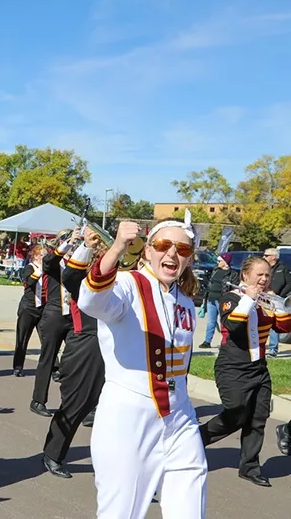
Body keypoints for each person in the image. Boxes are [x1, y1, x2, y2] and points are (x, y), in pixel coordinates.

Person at [77, 212, 206, 519]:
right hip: (128, 416)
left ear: (189, 259)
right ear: (148, 249)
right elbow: (90, 302)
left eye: (183, 249)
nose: (173, 253)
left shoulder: (186, 301)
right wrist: (117, 248)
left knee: (190, 505)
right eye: (163, 244)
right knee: (122, 511)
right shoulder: (126, 283)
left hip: (180, 415)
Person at [199, 255, 291, 487]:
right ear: (245, 275)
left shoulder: (267, 299)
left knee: (258, 418)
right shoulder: (231, 297)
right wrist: (249, 300)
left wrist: (277, 304)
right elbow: (231, 325)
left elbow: (284, 327)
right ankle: (194, 440)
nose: (264, 279)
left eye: (267, 274)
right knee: (236, 413)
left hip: (258, 367)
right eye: (259, 274)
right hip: (232, 366)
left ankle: (250, 467)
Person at [42, 226, 107, 478]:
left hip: (111, 345)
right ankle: (52, 453)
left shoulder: (119, 280)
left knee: (108, 406)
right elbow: (69, 276)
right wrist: (87, 246)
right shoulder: (82, 281)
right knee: (76, 403)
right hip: (85, 344)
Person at [30, 233, 74, 417]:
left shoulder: (80, 261)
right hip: (54, 314)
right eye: (71, 242)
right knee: (48, 358)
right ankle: (38, 400)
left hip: (74, 317)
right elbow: (49, 261)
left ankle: (72, 404)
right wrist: (66, 245)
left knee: (73, 361)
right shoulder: (54, 262)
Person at [12, 245, 45, 376]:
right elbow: (28, 282)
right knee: (22, 338)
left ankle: (54, 368)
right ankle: (18, 367)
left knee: (47, 339)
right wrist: (39, 271)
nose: (45, 258)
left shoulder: (48, 269)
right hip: (28, 308)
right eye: (42, 255)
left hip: (43, 307)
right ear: (36, 256)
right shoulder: (29, 267)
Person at [198, 253, 238, 349]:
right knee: (211, 322)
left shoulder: (233, 274)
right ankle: (207, 341)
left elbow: (234, 288)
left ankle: (226, 342)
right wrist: (205, 297)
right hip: (211, 299)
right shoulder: (215, 270)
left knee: (224, 322)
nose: (218, 262)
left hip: (223, 300)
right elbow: (210, 284)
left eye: (220, 261)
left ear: (225, 262)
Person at [264, 248, 291, 357]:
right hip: (265, 298)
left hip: (277, 300)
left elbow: (289, 283)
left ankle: (272, 349)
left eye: (266, 255)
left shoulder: (282, 269)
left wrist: (279, 294)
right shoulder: (266, 269)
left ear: (273, 257)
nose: (264, 257)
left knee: (274, 323)